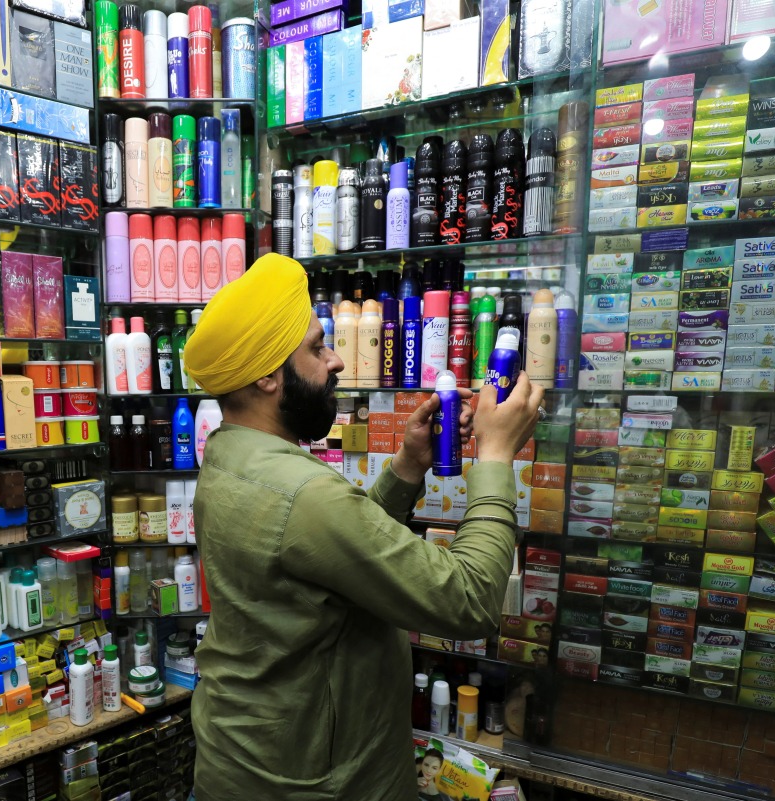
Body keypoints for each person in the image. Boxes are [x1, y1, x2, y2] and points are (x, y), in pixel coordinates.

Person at [183, 254, 544, 800]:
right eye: (316, 347)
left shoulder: (229, 453)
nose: (334, 362)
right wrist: (495, 456)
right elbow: (469, 601)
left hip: (244, 762)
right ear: (266, 376)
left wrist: (406, 467)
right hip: (315, 784)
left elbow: (329, 554)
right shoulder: (301, 492)